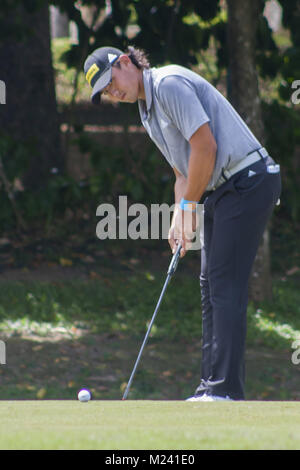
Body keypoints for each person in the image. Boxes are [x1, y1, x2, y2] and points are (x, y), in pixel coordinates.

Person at [83, 46, 281, 401]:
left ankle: (225, 391)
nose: (113, 93)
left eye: (111, 82)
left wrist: (190, 204)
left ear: (126, 63)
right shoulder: (146, 111)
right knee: (209, 283)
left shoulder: (169, 84)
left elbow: (206, 147)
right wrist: (179, 217)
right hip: (222, 187)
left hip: (249, 180)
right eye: (106, 92)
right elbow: (182, 170)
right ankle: (210, 387)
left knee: (223, 281)